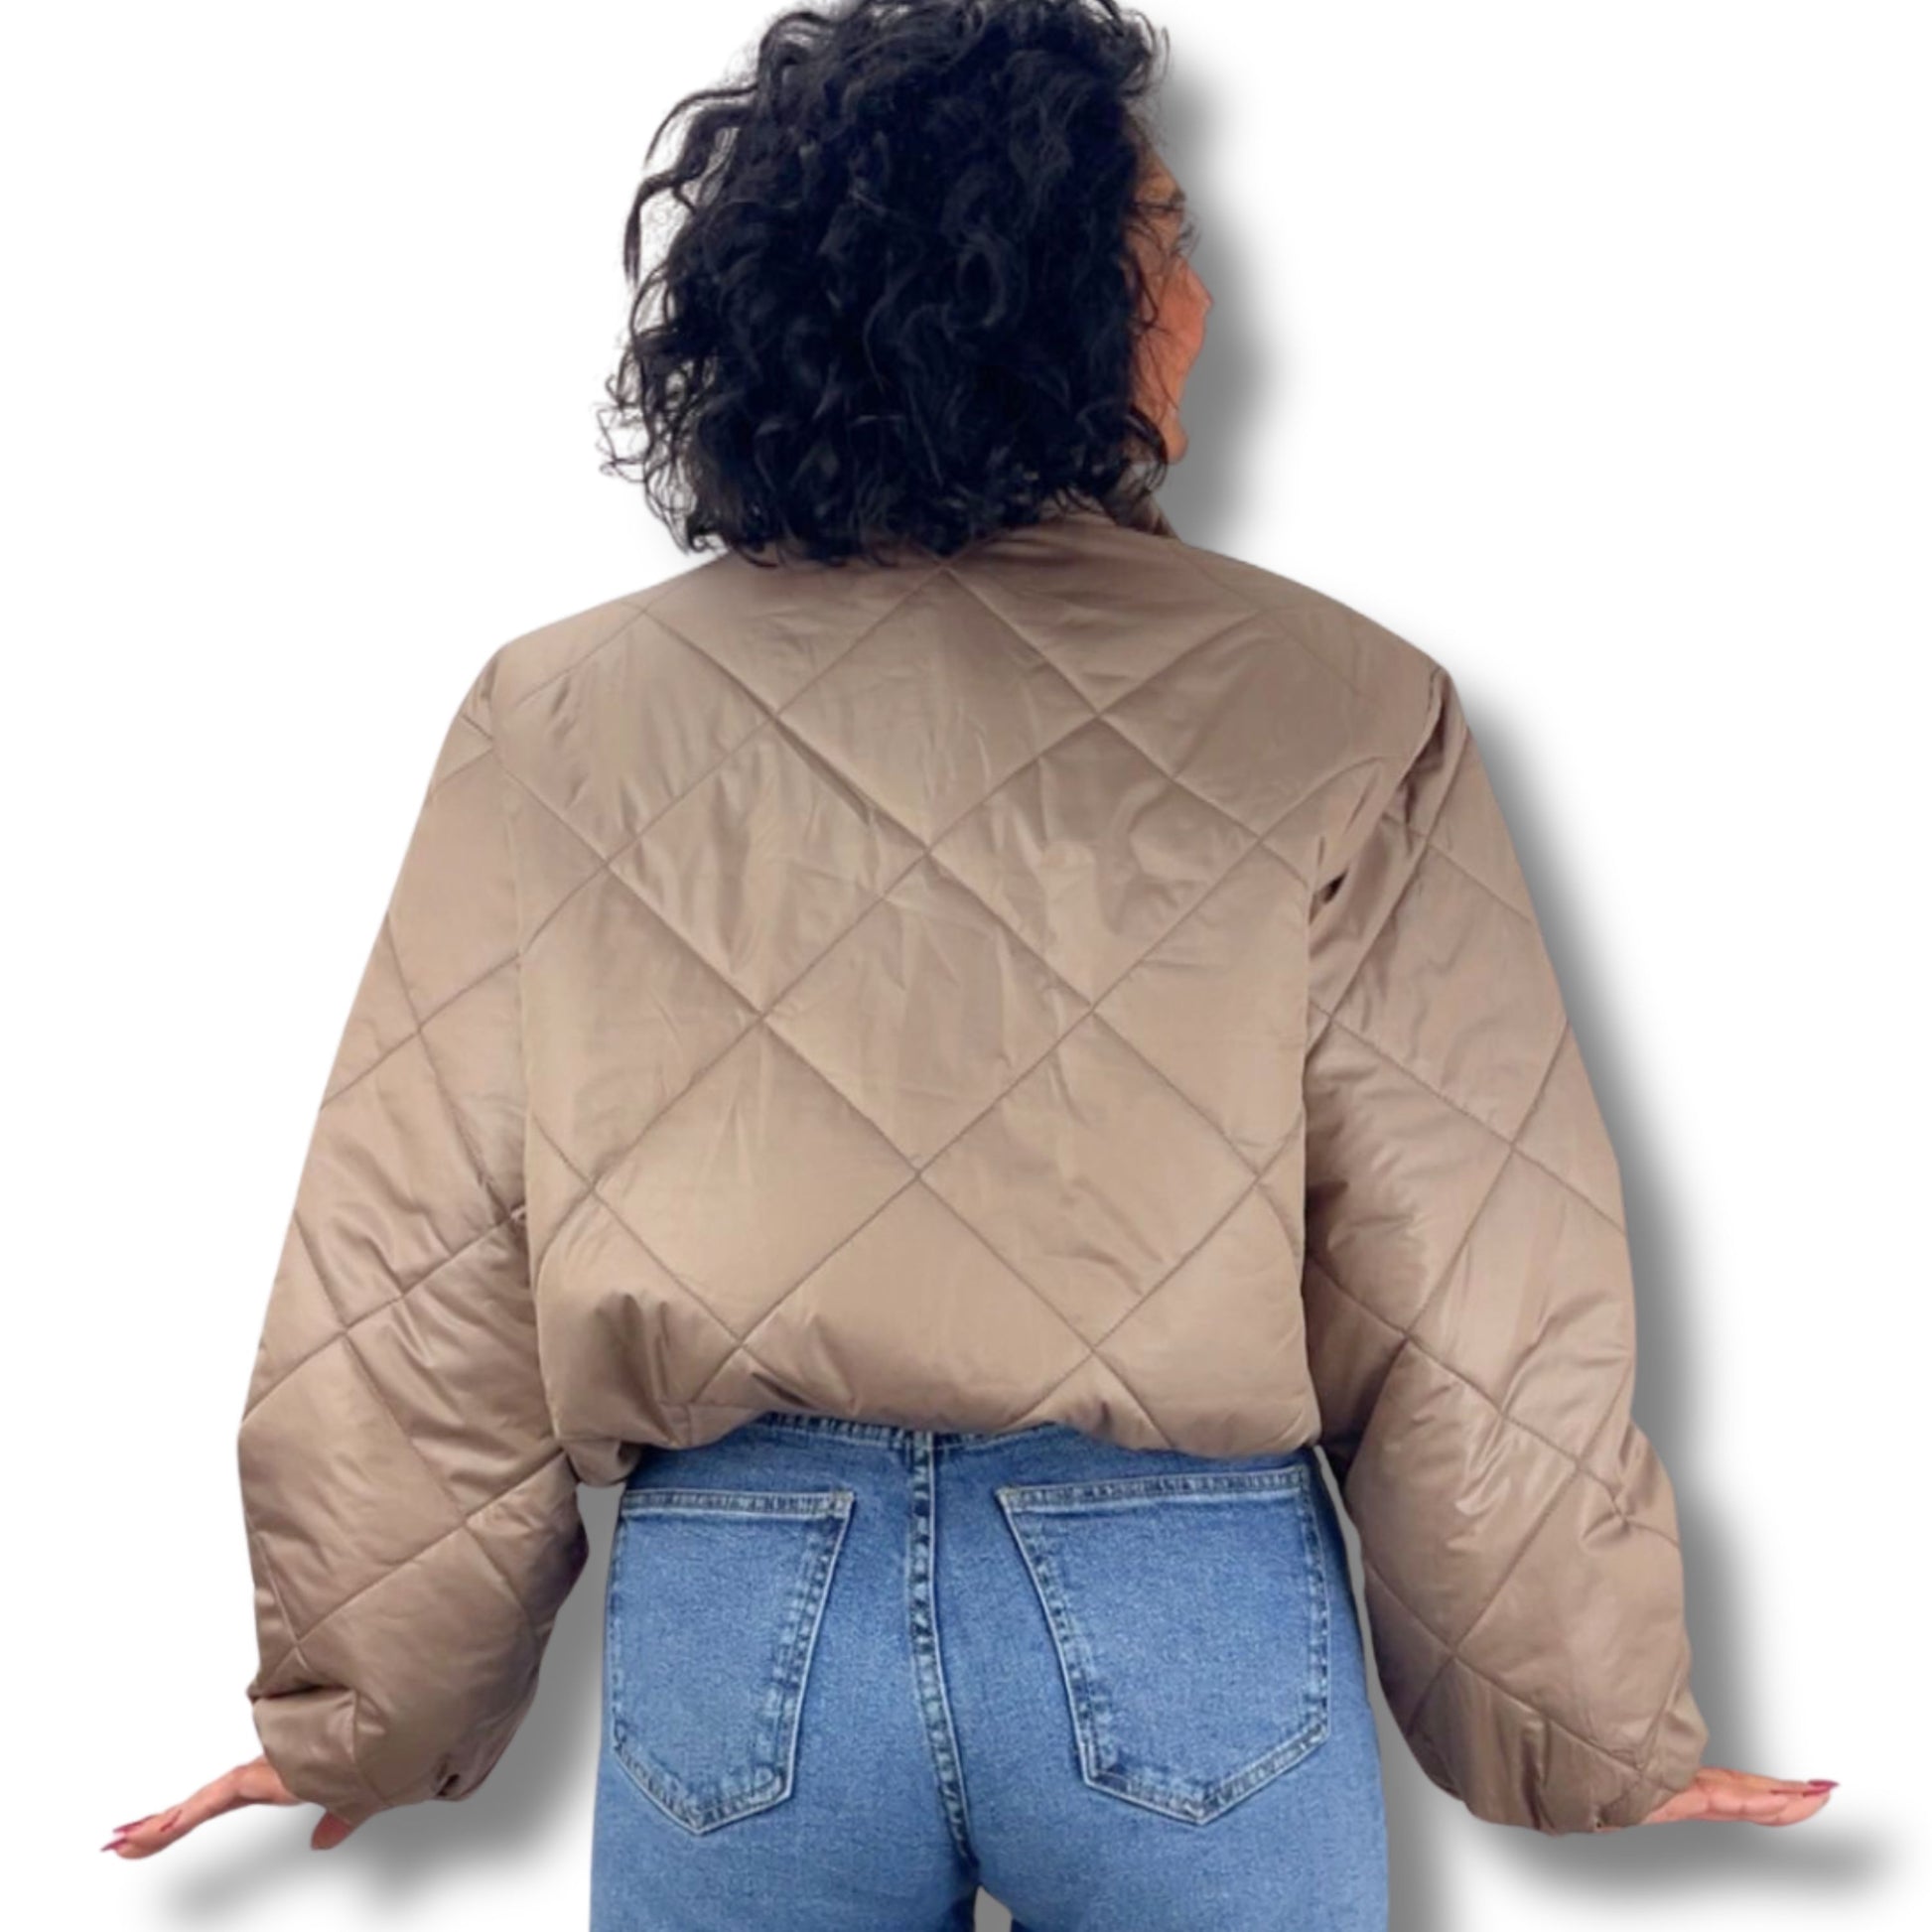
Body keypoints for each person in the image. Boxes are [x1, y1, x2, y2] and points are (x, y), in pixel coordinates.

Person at [103, 1, 1834, 1924]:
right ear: (1061, 301)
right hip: (1180, 1605)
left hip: (740, 1603)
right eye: (1167, 240)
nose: (1208, 295)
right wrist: (1585, 1718)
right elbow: (1464, 1270)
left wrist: (367, 1704)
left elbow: (411, 1254)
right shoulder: (1337, 702)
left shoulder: (562, 716)